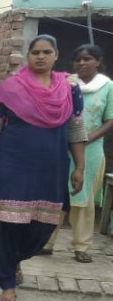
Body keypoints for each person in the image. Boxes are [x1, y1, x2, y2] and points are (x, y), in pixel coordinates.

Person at [0, 35, 86, 301]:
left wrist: (80, 166)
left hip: (51, 169)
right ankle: (7, 282)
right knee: (5, 225)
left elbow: (76, 129)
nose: (40, 56)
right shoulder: (11, 88)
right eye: (35, 52)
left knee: (42, 227)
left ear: (56, 55)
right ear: (28, 55)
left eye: (47, 51)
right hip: (10, 166)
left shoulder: (70, 89)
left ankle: (15, 260)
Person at [42, 44, 113, 262]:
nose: (82, 63)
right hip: (61, 148)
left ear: (98, 62)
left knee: (83, 198)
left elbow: (110, 119)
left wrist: (85, 140)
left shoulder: (108, 86)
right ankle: (46, 243)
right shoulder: (65, 84)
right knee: (54, 195)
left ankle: (81, 246)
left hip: (90, 150)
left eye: (87, 59)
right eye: (78, 59)